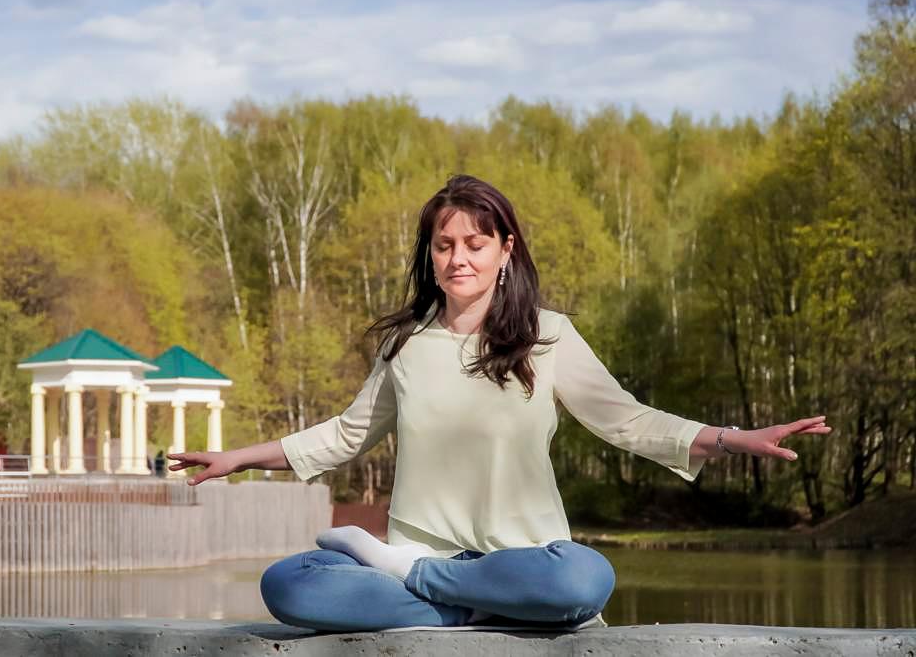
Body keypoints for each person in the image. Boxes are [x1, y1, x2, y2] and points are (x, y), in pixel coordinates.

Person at [167, 174, 832, 632]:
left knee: (582, 579)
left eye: (475, 243)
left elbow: (626, 419)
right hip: (437, 554)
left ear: (505, 250)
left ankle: (432, 586)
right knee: (292, 582)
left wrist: (732, 437)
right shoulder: (406, 346)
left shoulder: (550, 336)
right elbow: (345, 435)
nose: (459, 258)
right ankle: (465, 598)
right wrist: (237, 457)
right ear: (430, 256)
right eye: (445, 245)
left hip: (525, 561)